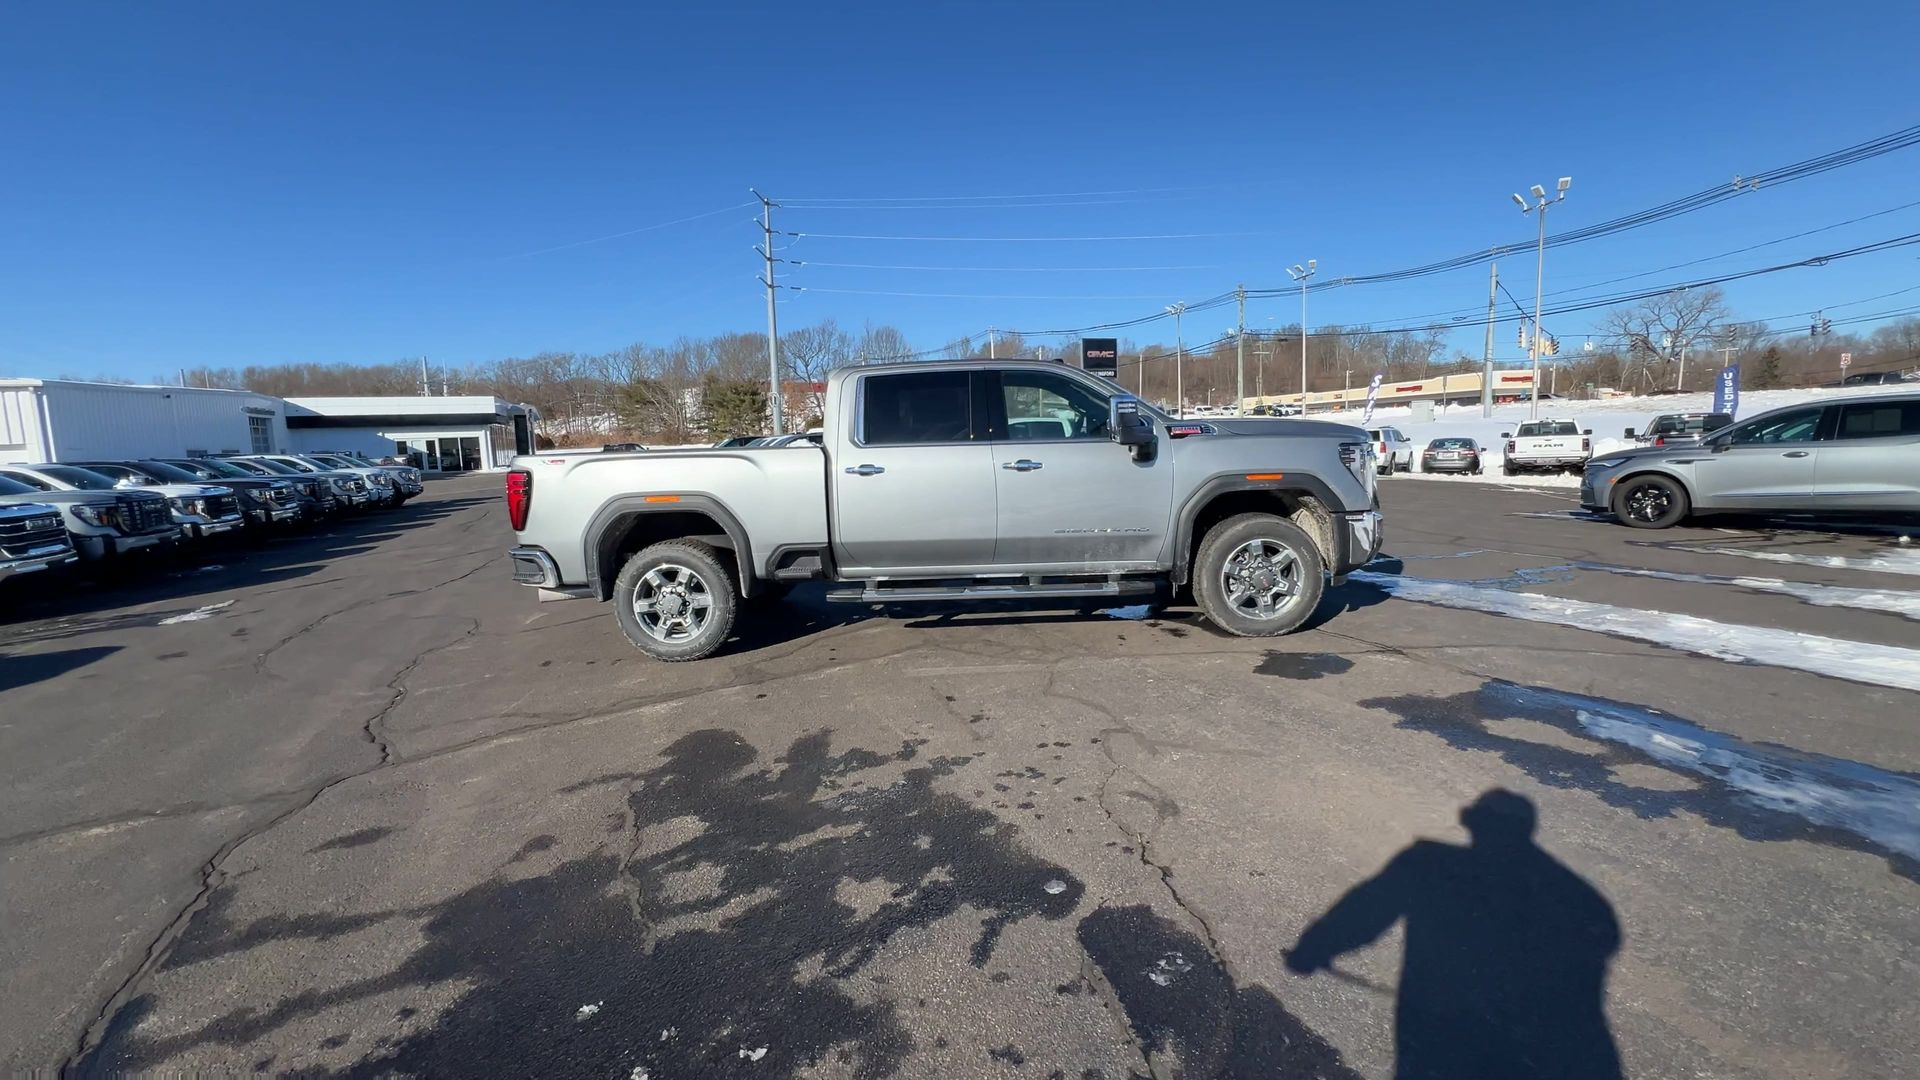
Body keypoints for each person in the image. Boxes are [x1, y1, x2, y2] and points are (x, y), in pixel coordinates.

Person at [1287, 789, 1623, 1080]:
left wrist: (1311, 950)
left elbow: (1363, 913)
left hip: (1441, 1046)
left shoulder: (1430, 866)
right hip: (1535, 1057)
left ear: (1474, 824)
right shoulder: (1580, 901)